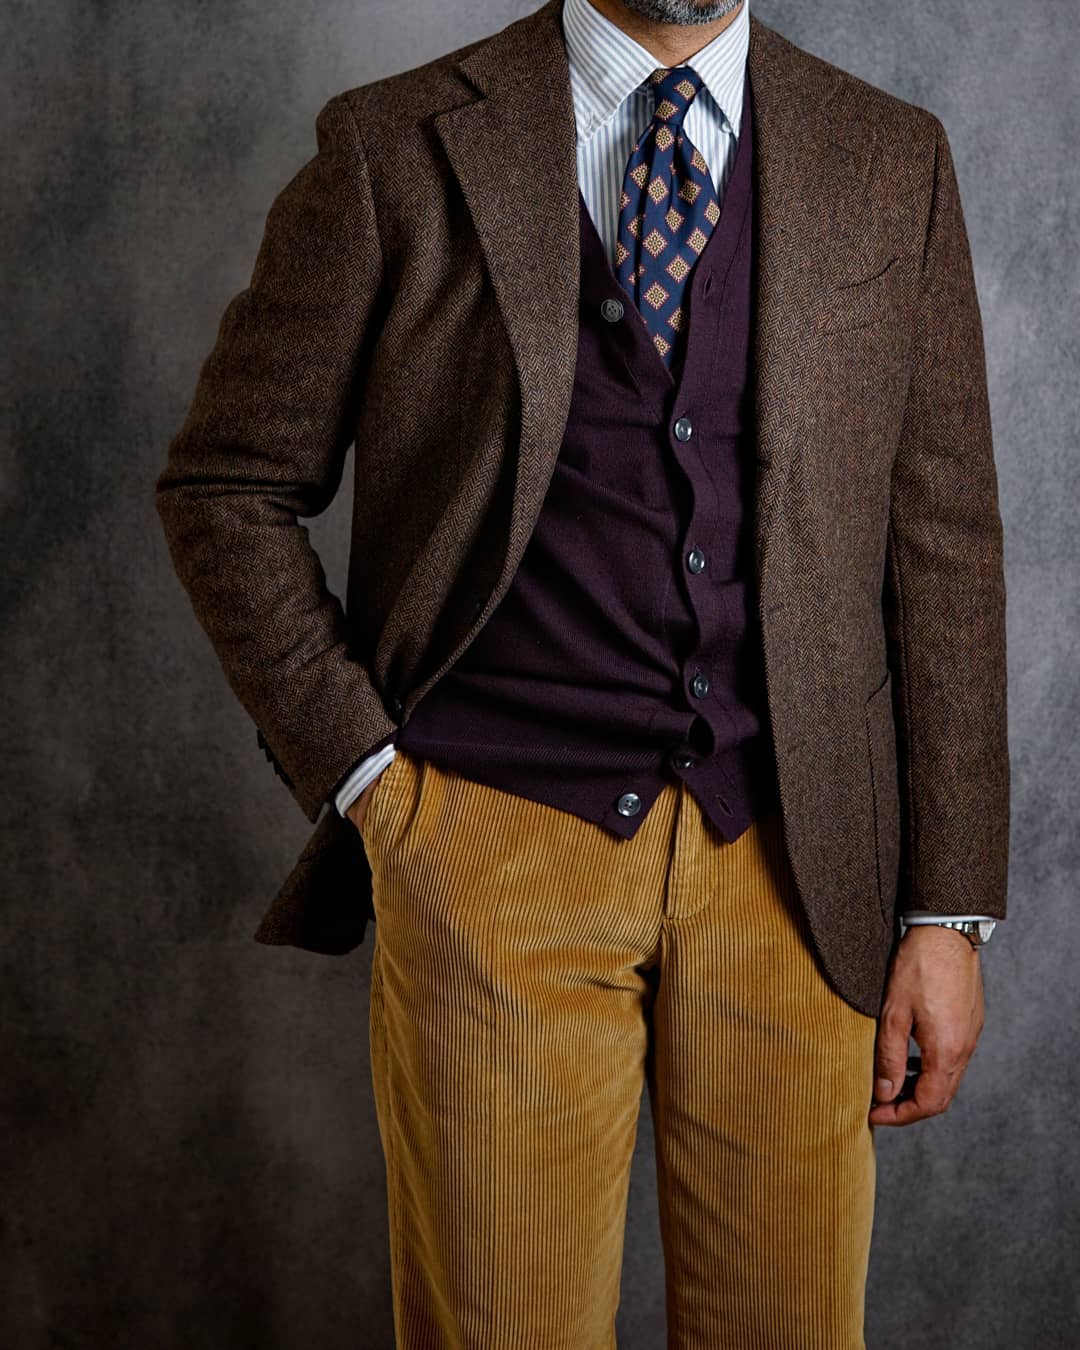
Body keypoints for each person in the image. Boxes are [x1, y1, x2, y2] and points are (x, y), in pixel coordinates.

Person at [154, 0, 1009, 1343]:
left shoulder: (891, 157)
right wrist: (374, 782)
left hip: (800, 864)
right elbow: (227, 484)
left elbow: (944, 548)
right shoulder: (393, 145)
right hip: (492, 849)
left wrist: (948, 910)